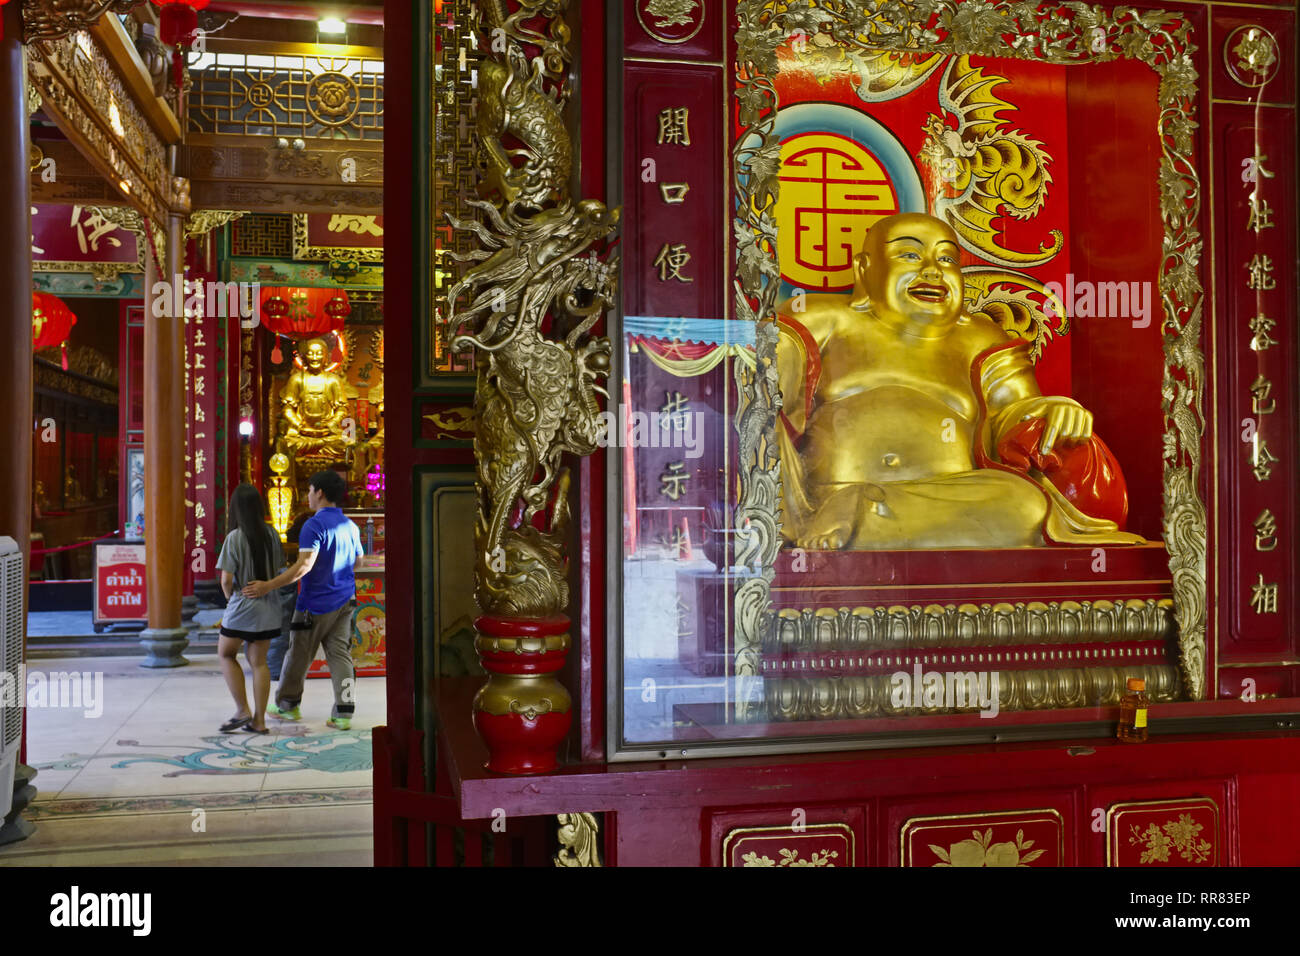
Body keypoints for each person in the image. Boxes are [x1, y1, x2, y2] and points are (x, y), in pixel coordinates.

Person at [776, 211, 1143, 550]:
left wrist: (1052, 410)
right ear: (863, 269)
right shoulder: (821, 318)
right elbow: (763, 382)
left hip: (953, 493)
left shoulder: (980, 337)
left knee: (1026, 503)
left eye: (947, 259)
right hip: (826, 494)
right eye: (909, 255)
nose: (933, 270)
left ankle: (866, 518)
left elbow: (1014, 415)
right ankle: (851, 514)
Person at [243, 470, 364, 730]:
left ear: (319, 492)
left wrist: (268, 586)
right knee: (340, 655)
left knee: (298, 653)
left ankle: (287, 705)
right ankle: (343, 712)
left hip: (314, 604)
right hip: (345, 601)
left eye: (309, 490)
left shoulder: (314, 525)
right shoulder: (350, 526)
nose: (307, 495)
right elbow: (358, 561)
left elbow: (303, 566)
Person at [216, 483, 286, 734]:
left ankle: (241, 709)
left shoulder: (234, 537)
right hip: (269, 608)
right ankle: (259, 721)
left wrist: (229, 599)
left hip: (242, 605)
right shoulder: (272, 534)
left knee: (225, 654)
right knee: (259, 663)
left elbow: (226, 580)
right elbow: (280, 569)